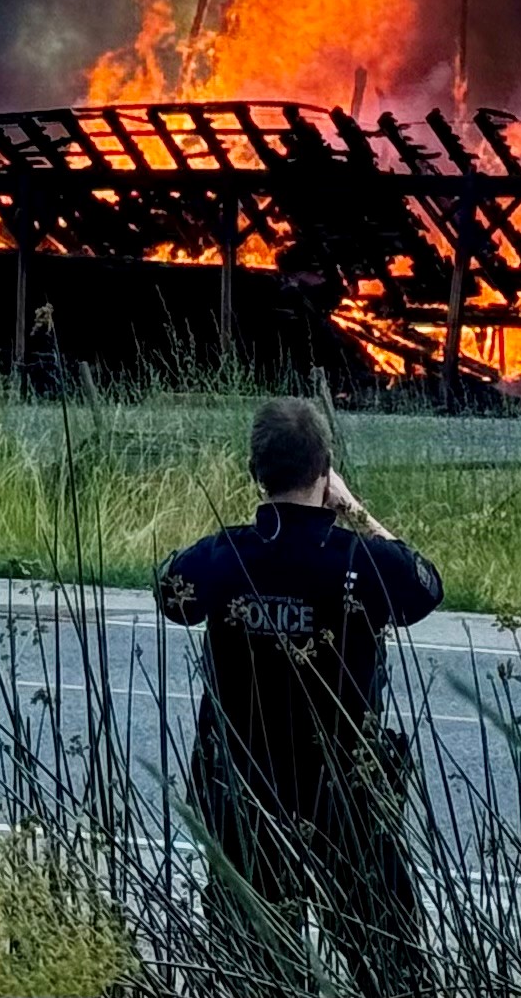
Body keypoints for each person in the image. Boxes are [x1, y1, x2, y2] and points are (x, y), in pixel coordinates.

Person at [157, 397, 443, 998]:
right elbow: (426, 585)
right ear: (325, 469)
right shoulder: (358, 562)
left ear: (254, 471)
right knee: (392, 971)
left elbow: (169, 591)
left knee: (252, 970)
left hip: (246, 796)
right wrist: (356, 511)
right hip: (344, 798)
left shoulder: (225, 556)